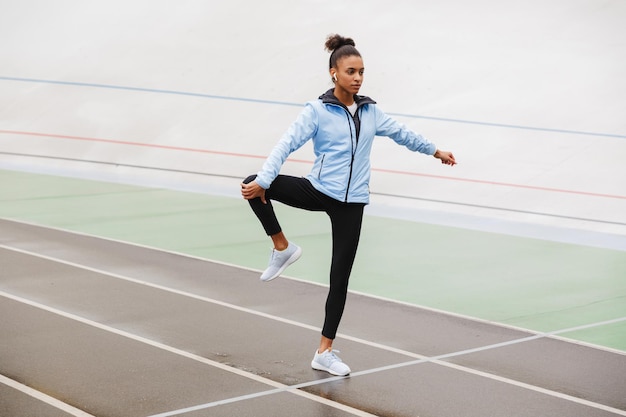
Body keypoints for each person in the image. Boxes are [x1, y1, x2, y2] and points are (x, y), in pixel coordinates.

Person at [241, 34, 456, 376]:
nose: (357, 78)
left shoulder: (371, 112)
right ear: (334, 73)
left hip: (352, 203)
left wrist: (435, 151)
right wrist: (265, 181)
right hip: (319, 189)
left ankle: (324, 351)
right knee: (253, 183)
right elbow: (285, 145)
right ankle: (281, 247)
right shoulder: (317, 110)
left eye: (362, 72)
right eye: (351, 71)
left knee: (339, 278)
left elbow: (402, 133)